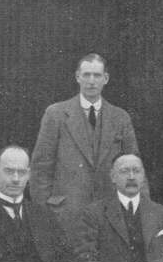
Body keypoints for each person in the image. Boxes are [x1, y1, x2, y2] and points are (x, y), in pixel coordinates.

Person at [30, 53, 139, 231]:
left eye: (97, 75)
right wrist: (44, 214)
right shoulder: (56, 114)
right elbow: (40, 169)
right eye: (86, 75)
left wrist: (140, 211)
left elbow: (135, 168)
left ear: (106, 79)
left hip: (109, 217)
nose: (91, 81)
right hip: (65, 217)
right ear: (77, 77)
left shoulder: (120, 118)